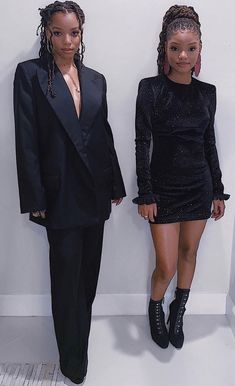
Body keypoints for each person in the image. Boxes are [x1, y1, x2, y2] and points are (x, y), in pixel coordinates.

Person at [14, 1, 126, 383]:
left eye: (74, 33)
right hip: (59, 195)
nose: (67, 41)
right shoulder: (30, 75)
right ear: (46, 32)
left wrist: (115, 183)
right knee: (65, 278)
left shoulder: (95, 79)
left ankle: (81, 346)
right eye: (59, 32)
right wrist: (35, 198)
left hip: (94, 191)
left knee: (88, 278)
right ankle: (72, 360)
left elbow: (103, 135)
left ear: (82, 33)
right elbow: (26, 141)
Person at [133, 5, 229, 350]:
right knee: (167, 264)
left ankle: (180, 308)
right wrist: (146, 194)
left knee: (190, 252)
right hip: (162, 190)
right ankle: (156, 305)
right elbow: (142, 142)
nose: (183, 55)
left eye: (190, 48)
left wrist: (217, 190)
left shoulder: (207, 93)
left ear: (200, 49)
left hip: (199, 186)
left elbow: (209, 142)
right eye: (175, 48)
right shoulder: (150, 89)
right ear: (165, 50)